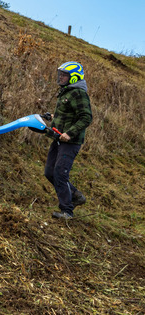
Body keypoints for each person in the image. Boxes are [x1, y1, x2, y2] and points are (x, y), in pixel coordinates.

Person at [44, 61, 93, 219]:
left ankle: (67, 211)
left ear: (74, 78)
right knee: (49, 172)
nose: (61, 77)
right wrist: (52, 117)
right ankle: (76, 195)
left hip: (70, 142)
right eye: (60, 74)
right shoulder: (66, 92)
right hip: (58, 139)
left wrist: (70, 134)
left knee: (60, 173)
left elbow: (86, 117)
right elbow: (68, 114)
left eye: (64, 75)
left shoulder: (78, 93)